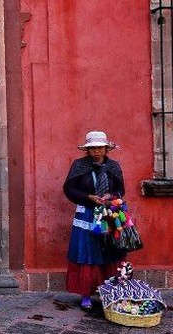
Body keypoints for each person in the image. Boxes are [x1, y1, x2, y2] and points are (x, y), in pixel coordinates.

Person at [63, 131, 126, 310]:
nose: (97, 151)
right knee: (87, 253)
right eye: (93, 148)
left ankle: (110, 292)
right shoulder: (79, 166)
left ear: (106, 148)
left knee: (109, 252)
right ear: (87, 150)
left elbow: (121, 189)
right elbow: (69, 189)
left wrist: (112, 196)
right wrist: (90, 197)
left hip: (109, 214)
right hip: (87, 215)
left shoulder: (114, 167)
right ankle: (86, 295)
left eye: (100, 147)